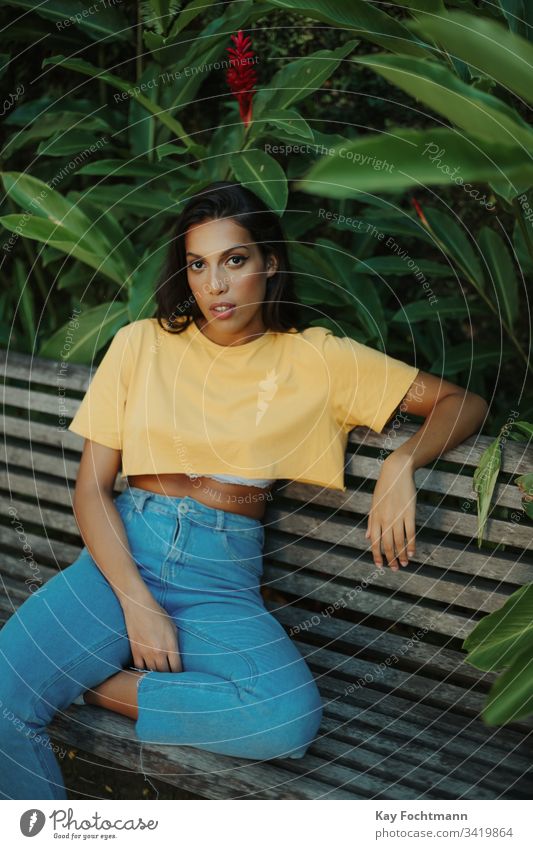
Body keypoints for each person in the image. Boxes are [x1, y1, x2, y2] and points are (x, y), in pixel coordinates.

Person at [0, 181, 488, 800]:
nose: (215, 285)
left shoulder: (318, 359)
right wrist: (138, 604)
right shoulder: (140, 344)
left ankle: (90, 681)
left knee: (285, 719)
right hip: (128, 549)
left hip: (220, 575)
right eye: (198, 265)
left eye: (235, 261)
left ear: (270, 262)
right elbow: (92, 490)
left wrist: (402, 464)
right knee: (2, 702)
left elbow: (458, 401)